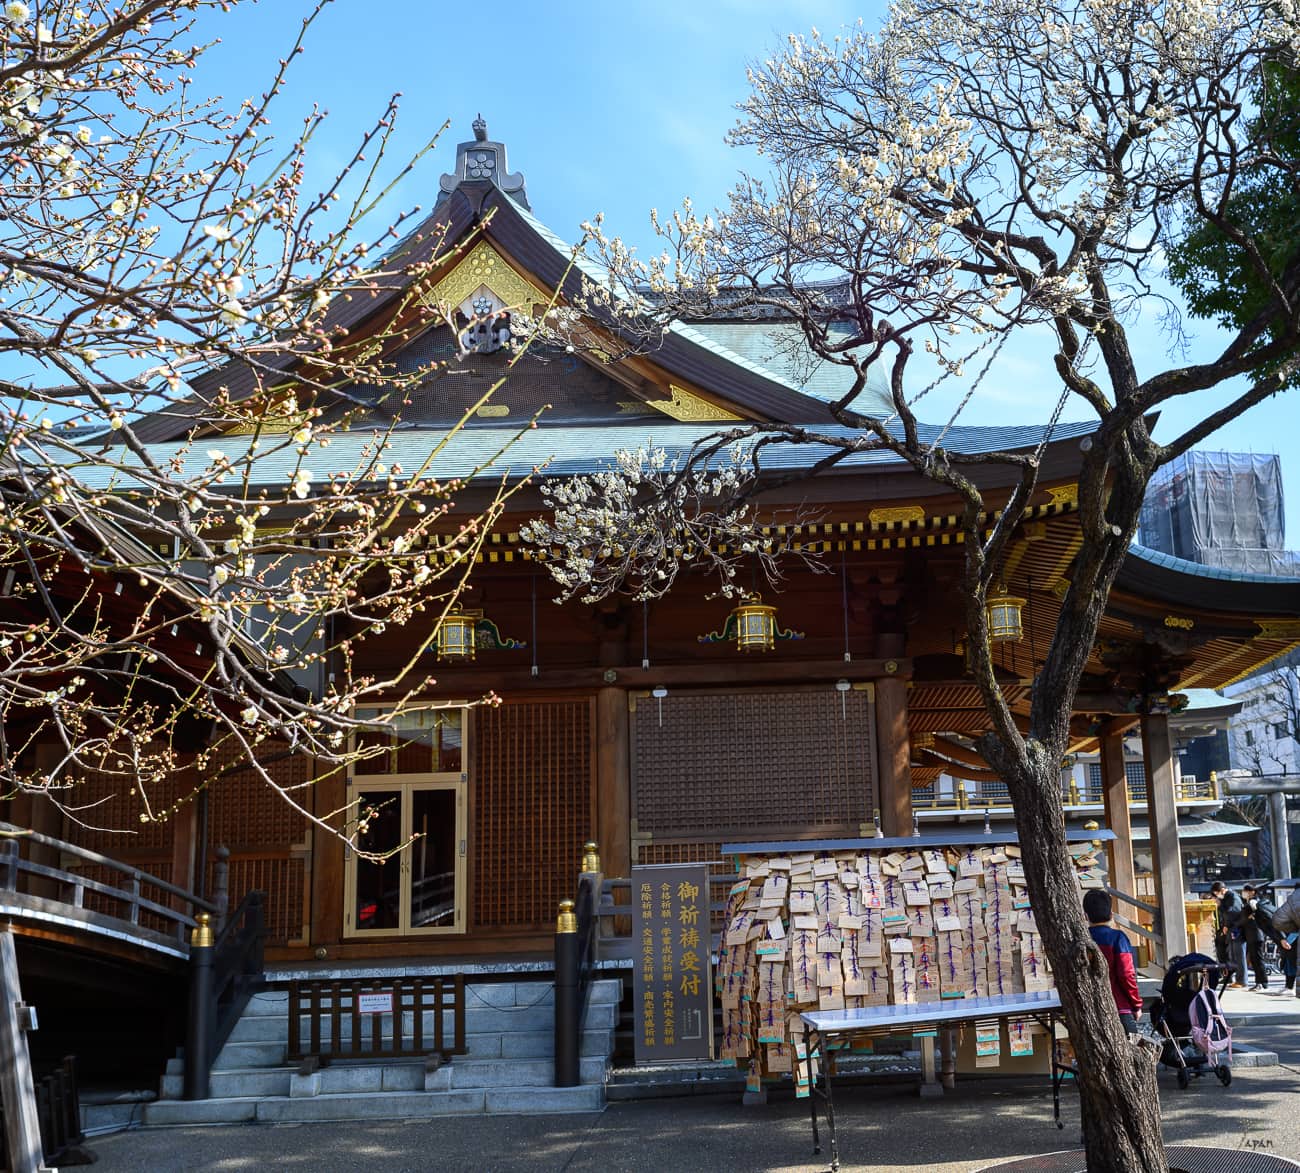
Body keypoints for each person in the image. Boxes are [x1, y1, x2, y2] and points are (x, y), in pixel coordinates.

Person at [1083, 889, 1143, 1032]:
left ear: (1085, 916)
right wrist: (1136, 1004)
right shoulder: (1118, 938)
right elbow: (1126, 974)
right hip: (1119, 1007)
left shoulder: (1081, 940)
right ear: (1111, 915)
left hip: (1089, 1009)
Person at [1210, 880, 1248, 988]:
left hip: (1237, 928)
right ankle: (1233, 978)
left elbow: (1232, 913)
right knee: (1232, 954)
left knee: (1239, 954)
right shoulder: (1227, 897)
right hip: (1231, 928)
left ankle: (1242, 980)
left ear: (1222, 890)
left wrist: (1220, 905)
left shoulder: (1233, 897)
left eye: (1217, 893)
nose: (1217, 896)